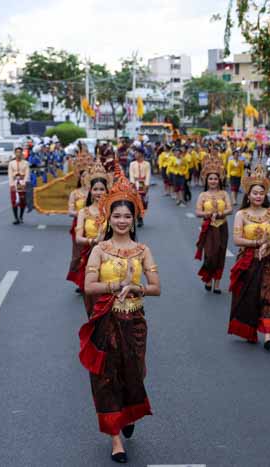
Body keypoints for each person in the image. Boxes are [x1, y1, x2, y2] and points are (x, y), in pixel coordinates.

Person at [79, 169, 160, 464]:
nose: (122, 221)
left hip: (135, 321)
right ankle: (115, 437)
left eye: (127, 216)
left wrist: (136, 287)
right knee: (106, 378)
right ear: (109, 219)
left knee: (135, 373)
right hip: (107, 320)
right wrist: (116, 285)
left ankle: (129, 413)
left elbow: (156, 288)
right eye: (117, 216)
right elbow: (88, 286)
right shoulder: (100, 250)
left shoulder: (142, 250)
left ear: (134, 218)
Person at [228, 165, 270, 349]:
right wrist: (257, 244)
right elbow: (237, 240)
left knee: (267, 295)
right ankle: (250, 331)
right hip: (247, 260)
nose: (258, 196)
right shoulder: (241, 214)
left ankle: (268, 336)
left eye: (261, 193)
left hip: (267, 259)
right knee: (250, 296)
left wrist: (267, 244)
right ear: (248, 195)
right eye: (255, 193)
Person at [74, 160, 111, 316]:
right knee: (91, 300)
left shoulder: (113, 211)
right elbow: (78, 238)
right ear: (91, 191)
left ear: (106, 191)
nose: (98, 193)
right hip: (88, 257)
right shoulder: (84, 212)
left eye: (102, 189)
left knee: (110, 298)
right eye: (95, 189)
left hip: (109, 258)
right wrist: (93, 241)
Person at [195, 153, 232, 293]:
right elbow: (198, 212)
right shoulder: (203, 196)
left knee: (220, 254)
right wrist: (208, 214)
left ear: (219, 180)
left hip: (222, 226)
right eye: (210, 178)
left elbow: (230, 209)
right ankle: (208, 279)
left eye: (215, 178)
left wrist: (222, 213)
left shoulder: (224, 194)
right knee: (210, 255)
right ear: (206, 180)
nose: (213, 181)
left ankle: (217, 284)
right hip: (208, 228)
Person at [66, 151, 94, 291]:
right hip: (78, 226)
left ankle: (90, 281)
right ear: (80, 178)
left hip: (94, 225)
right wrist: (82, 213)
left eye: (88, 176)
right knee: (78, 255)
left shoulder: (95, 192)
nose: (85, 178)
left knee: (92, 253)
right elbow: (70, 211)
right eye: (83, 176)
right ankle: (79, 281)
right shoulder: (75, 193)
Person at [128, 146, 151, 227]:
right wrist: (132, 183)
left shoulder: (147, 164)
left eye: (137, 153)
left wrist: (147, 185)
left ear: (141, 154)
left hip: (143, 183)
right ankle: (137, 218)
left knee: (143, 201)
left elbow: (148, 174)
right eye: (135, 153)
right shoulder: (132, 164)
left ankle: (140, 216)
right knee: (135, 201)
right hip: (135, 183)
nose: (135, 154)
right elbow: (131, 174)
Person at [7, 147, 30, 225]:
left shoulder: (26, 163)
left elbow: (27, 174)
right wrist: (11, 184)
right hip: (14, 183)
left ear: (22, 153)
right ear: (15, 153)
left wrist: (24, 183)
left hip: (22, 183)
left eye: (20, 152)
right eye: (17, 152)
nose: (18, 154)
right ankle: (16, 218)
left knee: (22, 201)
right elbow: (10, 174)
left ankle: (21, 216)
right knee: (14, 200)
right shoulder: (11, 163)